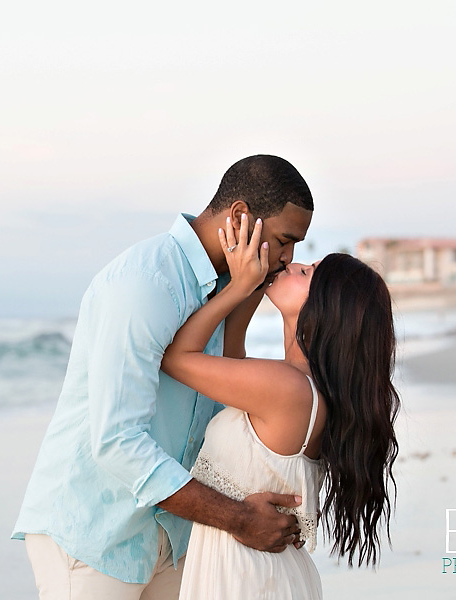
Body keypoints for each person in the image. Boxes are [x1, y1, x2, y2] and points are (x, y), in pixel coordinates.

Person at [12, 155, 314, 599]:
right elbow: (117, 440)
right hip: (97, 531)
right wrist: (239, 519)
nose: (288, 258)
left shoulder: (226, 286)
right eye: (284, 241)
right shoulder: (146, 283)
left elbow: (227, 414)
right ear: (239, 217)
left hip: (176, 536)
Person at [160, 216, 401, 599]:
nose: (293, 264)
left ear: (324, 310)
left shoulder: (289, 389)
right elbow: (232, 355)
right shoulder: (301, 385)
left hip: (248, 579)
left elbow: (174, 357)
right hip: (261, 575)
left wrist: (239, 286)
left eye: (306, 273)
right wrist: (254, 285)